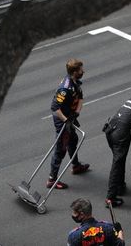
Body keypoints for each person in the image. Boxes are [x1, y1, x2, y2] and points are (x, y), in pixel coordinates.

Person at [47, 59, 90, 190]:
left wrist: (76, 112)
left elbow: (81, 98)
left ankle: (76, 166)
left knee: (73, 140)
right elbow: (55, 108)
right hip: (63, 121)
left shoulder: (75, 83)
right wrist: (66, 121)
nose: (83, 71)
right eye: (81, 70)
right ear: (74, 72)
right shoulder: (65, 89)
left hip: (70, 117)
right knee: (60, 150)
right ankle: (51, 179)